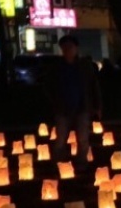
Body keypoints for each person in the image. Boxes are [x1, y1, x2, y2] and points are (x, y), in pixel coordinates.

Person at [44, 35, 102, 172]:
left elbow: (94, 86)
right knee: (60, 139)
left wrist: (97, 106)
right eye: (64, 47)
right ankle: (60, 165)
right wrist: (54, 102)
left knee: (83, 139)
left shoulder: (85, 66)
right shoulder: (56, 67)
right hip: (62, 109)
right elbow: (48, 87)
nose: (67, 50)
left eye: (70, 47)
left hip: (82, 108)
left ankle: (82, 165)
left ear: (76, 48)